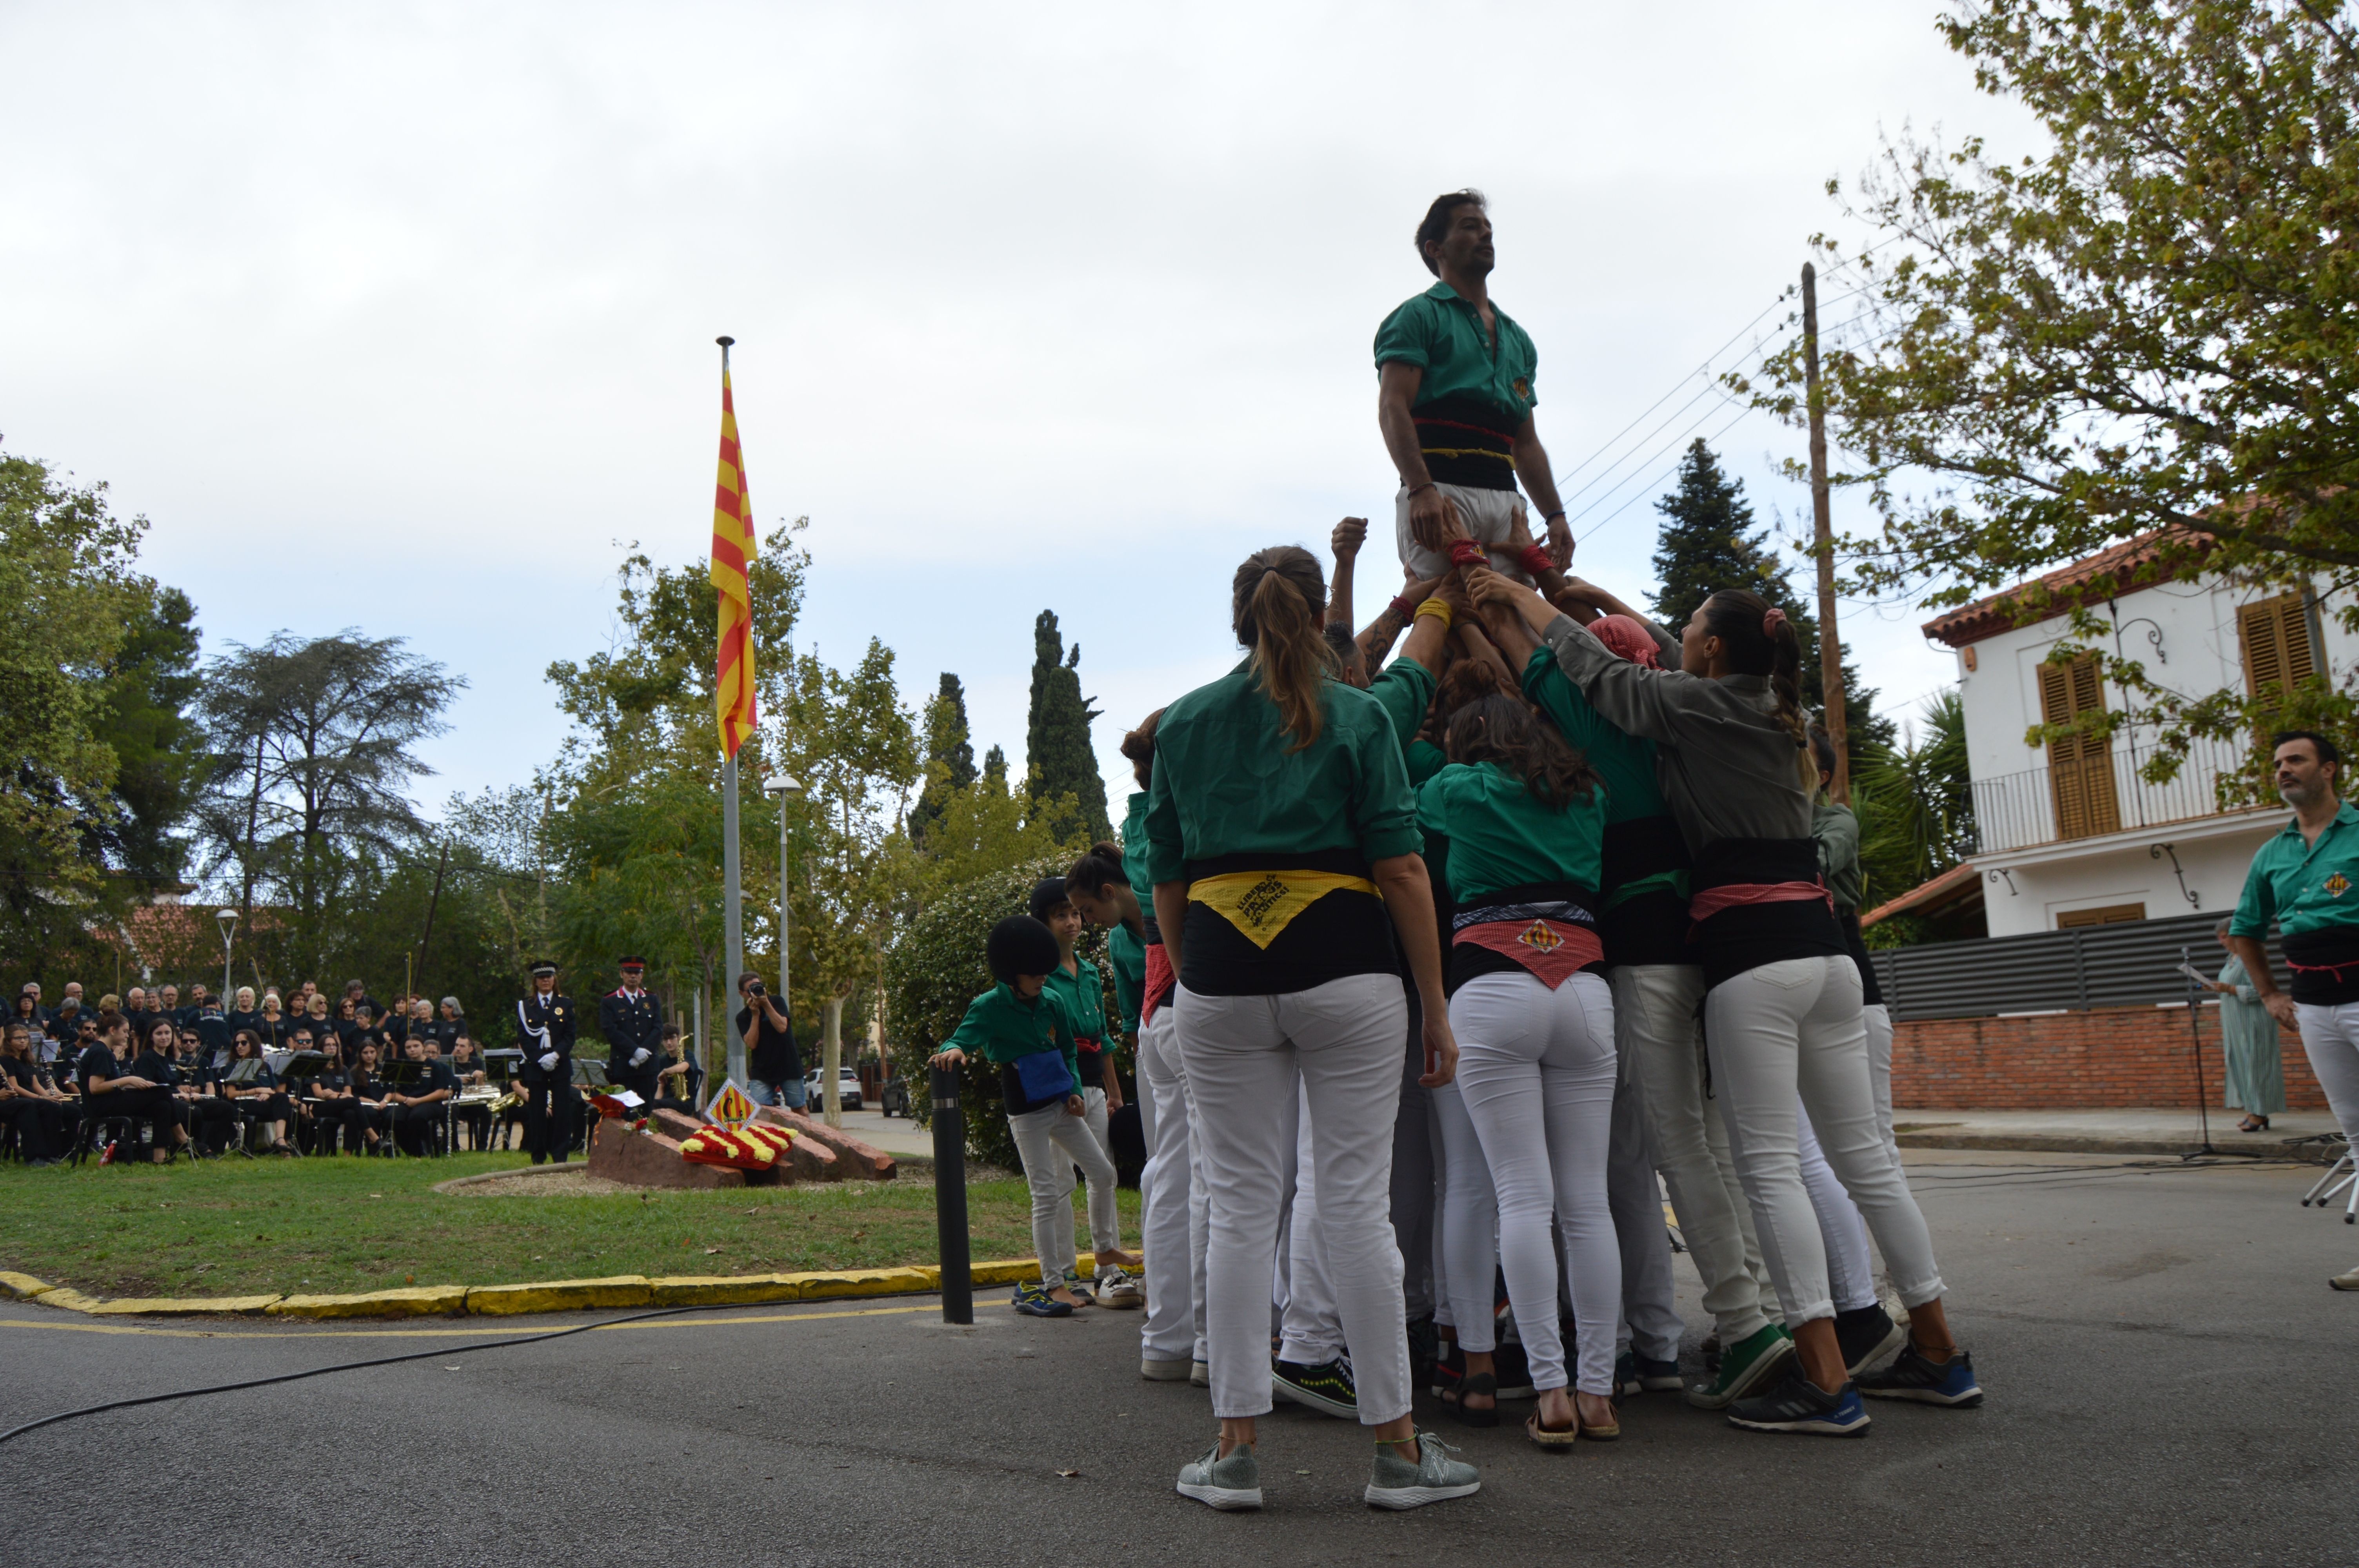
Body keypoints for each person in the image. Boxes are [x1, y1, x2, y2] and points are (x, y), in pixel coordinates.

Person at [1474, 566, 1979, 1431]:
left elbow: (1580, 670)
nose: (1678, 640)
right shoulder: (1776, 715)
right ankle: (1935, 1346)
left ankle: (1807, 1367)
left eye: (1693, 629)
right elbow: (1667, 658)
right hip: (1826, 957)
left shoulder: (1669, 711)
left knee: (1752, 1160)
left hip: (1740, 956)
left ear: (1708, 650)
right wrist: (1585, 591)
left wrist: (1515, 598)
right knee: (1863, 1160)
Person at [1147, 543, 1479, 1512]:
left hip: (1216, 973)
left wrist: (1191, 973)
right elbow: (1403, 869)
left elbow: (1165, 878)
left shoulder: (1185, 724)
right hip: (1347, 970)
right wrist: (1434, 999)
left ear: (1239, 616)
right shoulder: (1360, 715)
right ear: (1305, 613)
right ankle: (1399, 1452)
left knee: (1243, 1207)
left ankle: (1235, 1451)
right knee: (1352, 1207)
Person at [1412, 687, 1623, 1446]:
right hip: (1584, 987)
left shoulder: (1457, 788)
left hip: (1490, 983)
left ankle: (1551, 1392)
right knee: (1586, 1204)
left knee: (1520, 1200)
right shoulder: (1588, 793)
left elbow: (1404, 769)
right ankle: (1599, 1393)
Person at [927, 915, 1120, 1320]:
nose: (1042, 980)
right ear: (1011, 973)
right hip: (1025, 1111)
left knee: (1103, 1173)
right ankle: (1054, 1283)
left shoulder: (1053, 1001)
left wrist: (1071, 1089)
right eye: (1034, 975)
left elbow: (1068, 1047)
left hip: (1057, 1102)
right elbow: (961, 1037)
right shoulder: (990, 1006)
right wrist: (957, 1050)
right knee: (1046, 1194)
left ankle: (1103, 1249)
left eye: (1045, 973)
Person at [1375, 190, 1570, 580]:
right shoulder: (1416, 316)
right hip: (1440, 492)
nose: (1485, 236)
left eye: (1488, 229)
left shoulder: (1518, 340)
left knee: (1521, 620)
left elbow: (1526, 442)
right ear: (1436, 249)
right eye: (1470, 227)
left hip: (1506, 502)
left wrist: (1555, 515)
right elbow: (1392, 407)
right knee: (1449, 611)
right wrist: (1420, 490)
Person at [2223, 730, 2359, 1290]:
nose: (2282, 769)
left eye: (2295, 760)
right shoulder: (2271, 852)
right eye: (2277, 763)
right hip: (2313, 1008)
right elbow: (2245, 931)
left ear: (2329, 770)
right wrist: (2274, 995)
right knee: (2356, 1132)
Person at [1029, 876, 1142, 1305]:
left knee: (1103, 1174)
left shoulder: (1091, 971)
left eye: (1076, 913)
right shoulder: (1039, 977)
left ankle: (1107, 1269)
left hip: (1094, 1085)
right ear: (1042, 922)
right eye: (1061, 915)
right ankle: (1060, 1272)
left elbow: (1103, 1038)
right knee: (1059, 1181)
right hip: (1058, 1090)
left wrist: (1114, 1092)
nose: (1073, 921)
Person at [80, 1012, 187, 1164]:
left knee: (162, 1106)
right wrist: (129, 1079)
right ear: (112, 1030)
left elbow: (111, 1082)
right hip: (101, 1105)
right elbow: (95, 1088)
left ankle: (159, 1157)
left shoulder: (105, 1052)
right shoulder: (101, 1052)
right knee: (162, 1091)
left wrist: (136, 1083)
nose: (128, 1036)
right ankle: (181, 1137)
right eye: (125, 1031)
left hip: (109, 1100)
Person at [516, 961, 578, 1165]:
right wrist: (540, 1058)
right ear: (535, 981)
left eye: (549, 977)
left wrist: (555, 1055)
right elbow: (523, 1037)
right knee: (537, 1113)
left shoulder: (566, 1004)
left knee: (562, 1113)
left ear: (554, 980)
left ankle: (560, 1156)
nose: (546, 980)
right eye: (541, 978)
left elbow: (570, 1036)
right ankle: (538, 1156)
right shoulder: (526, 1006)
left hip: (560, 1065)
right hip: (536, 1066)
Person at [2, 1022, 71, 1165]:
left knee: (62, 1108)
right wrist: (42, 1098)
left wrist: (48, 1098)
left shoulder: (27, 1060)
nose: (23, 1041)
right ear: (9, 1041)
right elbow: (14, 1087)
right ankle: (34, 1156)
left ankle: (54, 1153)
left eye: (25, 1038)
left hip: (27, 1099)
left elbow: (35, 1084)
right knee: (30, 1106)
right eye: (18, 1038)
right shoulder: (5, 1060)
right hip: (16, 1100)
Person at [219, 1030, 296, 1154]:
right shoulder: (232, 1066)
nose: (239, 1047)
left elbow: (273, 1090)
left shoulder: (265, 1066)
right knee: (283, 1108)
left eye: (244, 1043)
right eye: (237, 1044)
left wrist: (267, 1093)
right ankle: (284, 1150)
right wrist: (257, 1090)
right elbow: (231, 1095)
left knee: (282, 1097)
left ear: (253, 1044)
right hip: (244, 1103)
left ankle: (280, 1139)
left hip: (265, 1101)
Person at [600, 957, 665, 1103]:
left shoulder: (651, 999)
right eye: (629, 972)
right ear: (622, 974)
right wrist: (635, 1051)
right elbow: (611, 1031)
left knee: (646, 1109)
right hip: (624, 1063)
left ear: (642, 975)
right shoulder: (610, 1001)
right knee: (623, 1111)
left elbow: (658, 1028)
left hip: (648, 1064)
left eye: (637, 973)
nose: (633, 976)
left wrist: (644, 1051)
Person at [736, 974, 805, 1110]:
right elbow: (752, 1044)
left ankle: (803, 1133)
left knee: (800, 1111)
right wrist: (755, 1015)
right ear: (742, 994)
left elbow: (782, 1027)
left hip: (788, 1065)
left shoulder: (777, 1002)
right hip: (762, 1071)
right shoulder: (742, 1017)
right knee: (760, 1113)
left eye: (758, 986)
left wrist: (766, 1004)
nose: (756, 991)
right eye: (751, 989)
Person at [389, 1034, 454, 1156]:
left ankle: (424, 1150)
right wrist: (407, 1099)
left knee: (416, 1117)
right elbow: (394, 1093)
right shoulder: (403, 1066)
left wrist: (418, 1101)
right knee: (393, 1118)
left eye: (416, 1046)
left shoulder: (435, 1066)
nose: (412, 1050)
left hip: (431, 1103)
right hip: (407, 1101)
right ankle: (413, 1152)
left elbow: (440, 1093)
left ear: (423, 1047)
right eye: (408, 1047)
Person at [650, 1024, 702, 1114]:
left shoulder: (688, 1055)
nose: (669, 1043)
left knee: (652, 1104)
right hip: (667, 1101)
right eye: (665, 1039)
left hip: (685, 1103)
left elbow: (682, 1068)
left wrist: (666, 1071)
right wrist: (661, 1085)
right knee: (648, 1104)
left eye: (672, 1038)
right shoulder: (662, 1061)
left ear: (679, 1038)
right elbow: (658, 1097)